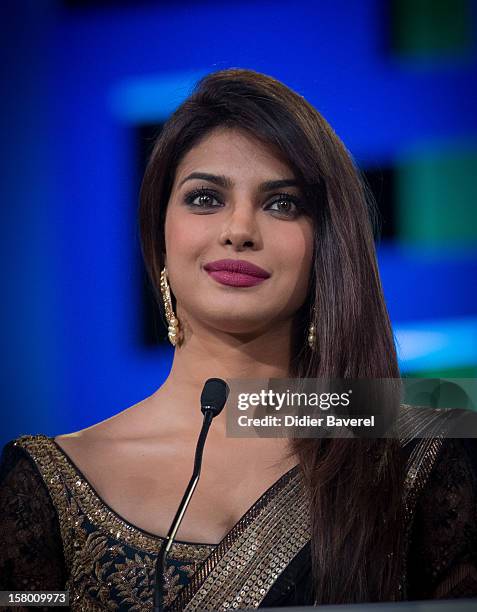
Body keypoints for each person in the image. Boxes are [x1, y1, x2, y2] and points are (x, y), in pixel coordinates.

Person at [1, 68, 476, 611]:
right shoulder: (48, 481)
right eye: (205, 199)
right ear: (161, 234)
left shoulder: (409, 454)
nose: (239, 229)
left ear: (325, 246)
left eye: (282, 204)